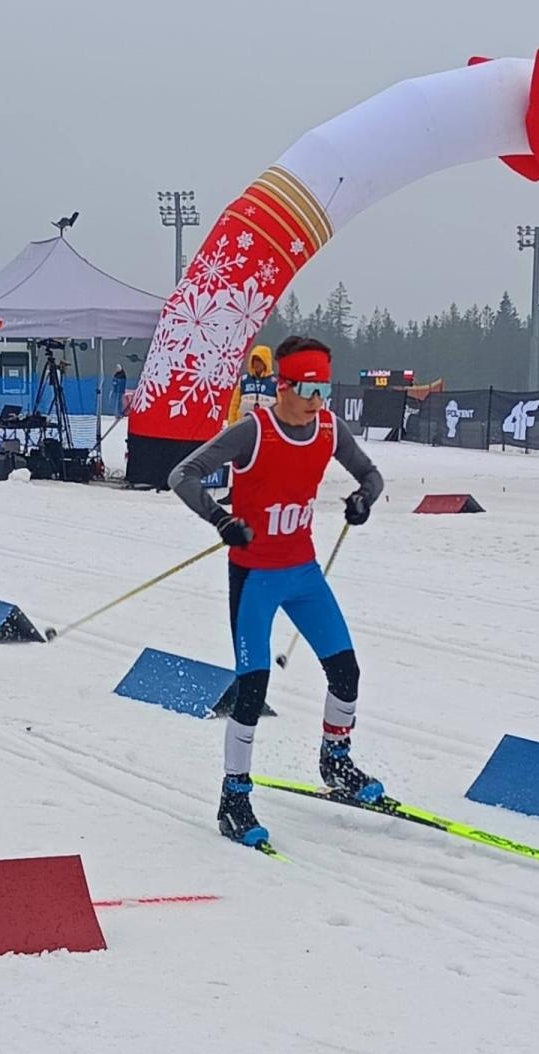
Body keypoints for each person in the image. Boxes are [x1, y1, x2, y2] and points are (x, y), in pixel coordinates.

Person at [169, 335, 385, 849]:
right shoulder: (254, 431)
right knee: (253, 689)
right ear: (282, 386)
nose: (317, 400)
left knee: (346, 672)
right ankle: (234, 797)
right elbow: (183, 475)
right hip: (255, 578)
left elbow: (372, 475)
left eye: (324, 388)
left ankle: (336, 762)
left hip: (303, 573)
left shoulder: (329, 429)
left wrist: (363, 500)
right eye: (308, 388)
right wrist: (221, 519)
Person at [216, 345, 277, 504]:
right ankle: (234, 492)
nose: (257, 365)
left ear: (266, 363)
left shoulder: (275, 383)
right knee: (238, 460)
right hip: (243, 427)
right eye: (255, 361)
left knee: (263, 463)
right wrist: (232, 424)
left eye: (260, 362)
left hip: (266, 429)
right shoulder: (243, 381)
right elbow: (234, 404)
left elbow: (281, 406)